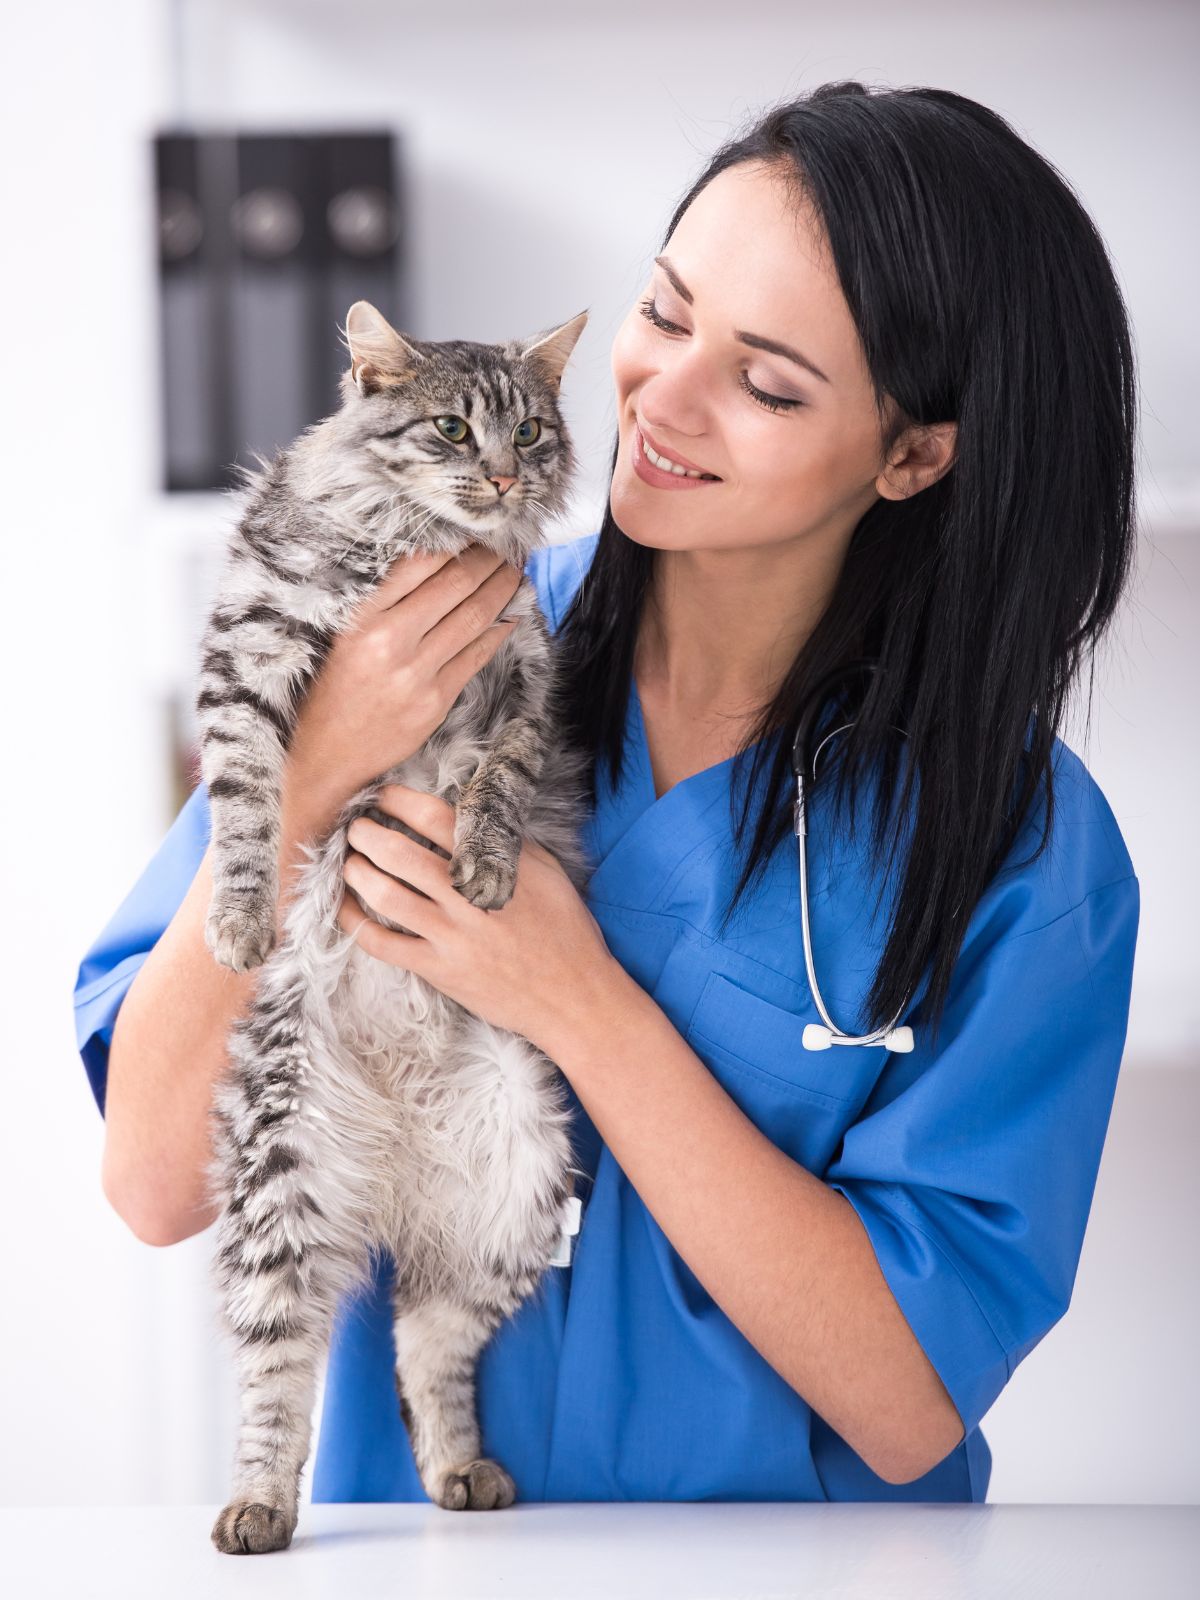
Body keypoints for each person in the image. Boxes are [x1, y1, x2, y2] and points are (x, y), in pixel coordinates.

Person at [74, 82, 1140, 1504]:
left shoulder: (1023, 845)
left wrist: (572, 998)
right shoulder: (406, 641)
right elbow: (155, 1180)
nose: (663, 399)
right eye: (664, 311)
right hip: (426, 1560)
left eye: (767, 383)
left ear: (913, 453)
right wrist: (315, 765)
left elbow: (905, 1402)